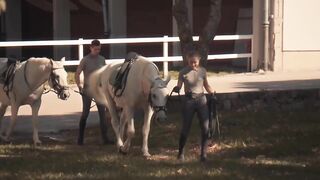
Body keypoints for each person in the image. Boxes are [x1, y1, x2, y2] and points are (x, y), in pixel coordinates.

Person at [173, 47, 214, 162]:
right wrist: (177, 88)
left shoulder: (203, 71)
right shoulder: (183, 72)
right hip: (189, 101)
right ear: (187, 60)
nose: (193, 64)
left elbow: (206, 85)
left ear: (199, 60)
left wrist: (213, 93)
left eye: (195, 62)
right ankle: (181, 153)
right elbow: (180, 85)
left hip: (201, 100)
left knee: (205, 128)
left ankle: (204, 155)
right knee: (185, 128)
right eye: (190, 62)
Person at [75, 39, 113, 145]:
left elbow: (105, 73)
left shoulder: (102, 59)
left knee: (102, 114)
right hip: (87, 89)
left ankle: (105, 138)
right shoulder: (85, 60)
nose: (97, 51)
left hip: (99, 89)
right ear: (91, 48)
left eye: (99, 49)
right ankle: (80, 138)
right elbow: (77, 73)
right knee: (85, 113)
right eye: (95, 49)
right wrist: (79, 86)